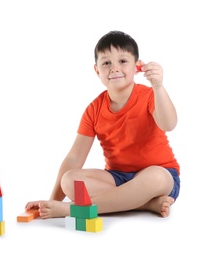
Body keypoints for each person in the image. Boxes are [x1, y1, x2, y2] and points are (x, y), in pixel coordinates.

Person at [25, 30, 180, 218]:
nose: (114, 68)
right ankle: (144, 203)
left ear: (137, 67)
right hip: (116, 178)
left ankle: (75, 209)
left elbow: (169, 124)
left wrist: (158, 86)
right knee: (69, 181)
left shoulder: (149, 95)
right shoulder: (94, 109)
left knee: (156, 176)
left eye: (123, 61)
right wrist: (53, 201)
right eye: (106, 63)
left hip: (160, 176)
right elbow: (74, 159)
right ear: (97, 70)